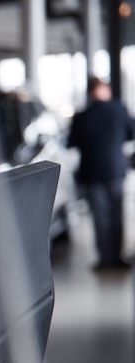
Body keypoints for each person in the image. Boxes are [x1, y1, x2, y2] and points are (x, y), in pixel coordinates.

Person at [67, 76, 135, 269]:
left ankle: (105, 260)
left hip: (92, 172)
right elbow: (132, 132)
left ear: (90, 92)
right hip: (115, 170)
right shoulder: (118, 111)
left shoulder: (82, 116)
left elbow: (71, 142)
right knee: (116, 215)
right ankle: (118, 257)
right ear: (105, 89)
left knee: (100, 217)